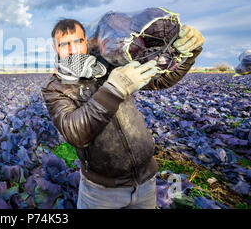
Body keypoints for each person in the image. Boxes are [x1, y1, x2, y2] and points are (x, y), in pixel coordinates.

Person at [41, 18, 204, 209]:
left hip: (146, 182)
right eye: (64, 44)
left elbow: (161, 80)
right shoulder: (55, 88)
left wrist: (189, 53)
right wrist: (115, 88)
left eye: (77, 42)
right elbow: (76, 133)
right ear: (55, 48)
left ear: (85, 42)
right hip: (100, 191)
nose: (72, 49)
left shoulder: (110, 65)